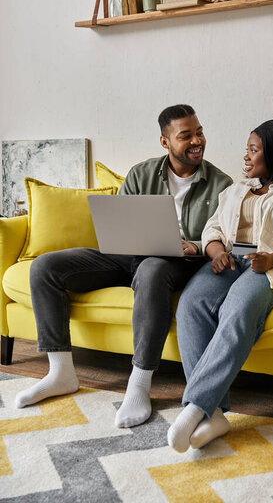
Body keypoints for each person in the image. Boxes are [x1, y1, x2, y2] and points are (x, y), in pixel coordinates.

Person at [15, 105, 232, 429]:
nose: (197, 140)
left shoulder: (221, 183)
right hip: (127, 253)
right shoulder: (140, 173)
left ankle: (140, 384)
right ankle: (60, 372)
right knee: (45, 267)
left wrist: (195, 245)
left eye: (199, 132)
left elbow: (223, 237)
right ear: (165, 142)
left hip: (177, 262)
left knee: (152, 270)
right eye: (186, 135)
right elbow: (118, 226)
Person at [168, 119, 273, 453]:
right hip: (227, 262)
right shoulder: (236, 189)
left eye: (254, 150)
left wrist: (271, 259)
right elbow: (213, 229)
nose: (246, 156)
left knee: (237, 308)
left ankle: (195, 407)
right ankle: (216, 414)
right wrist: (214, 254)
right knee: (191, 304)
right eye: (247, 149)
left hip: (267, 268)